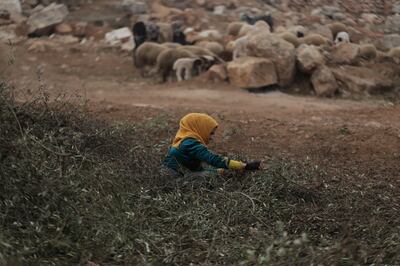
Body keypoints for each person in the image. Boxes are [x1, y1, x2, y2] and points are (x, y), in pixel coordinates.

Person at [161, 113, 261, 182]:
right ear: (200, 128)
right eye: (211, 133)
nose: (211, 138)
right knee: (213, 176)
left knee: (216, 173)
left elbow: (197, 170)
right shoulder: (190, 143)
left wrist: (221, 171)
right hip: (174, 182)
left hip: (173, 178)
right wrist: (245, 166)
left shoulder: (184, 140)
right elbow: (213, 159)